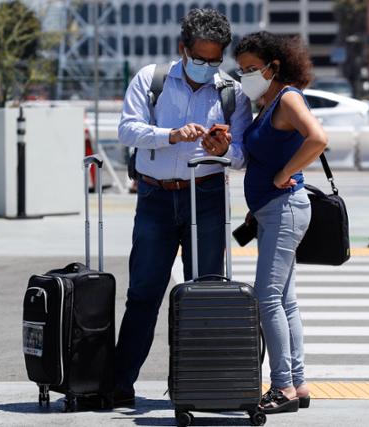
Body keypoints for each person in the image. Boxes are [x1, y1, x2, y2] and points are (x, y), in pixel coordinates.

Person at [112, 9, 252, 407]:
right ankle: (121, 383)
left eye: (214, 60)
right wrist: (170, 135)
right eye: (199, 58)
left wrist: (224, 149)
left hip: (206, 195)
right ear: (183, 49)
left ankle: (203, 384)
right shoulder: (151, 78)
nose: (207, 67)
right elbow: (127, 129)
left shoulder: (232, 92)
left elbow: (242, 155)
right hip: (155, 196)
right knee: (143, 292)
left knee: (205, 292)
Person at [233, 31, 328, 414]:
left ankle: (283, 387)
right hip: (272, 210)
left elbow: (318, 138)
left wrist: (283, 174)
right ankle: (298, 384)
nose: (246, 77)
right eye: (241, 70)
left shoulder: (287, 98)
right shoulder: (268, 104)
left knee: (266, 296)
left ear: (275, 66)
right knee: (284, 300)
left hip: (285, 205)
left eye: (252, 69)